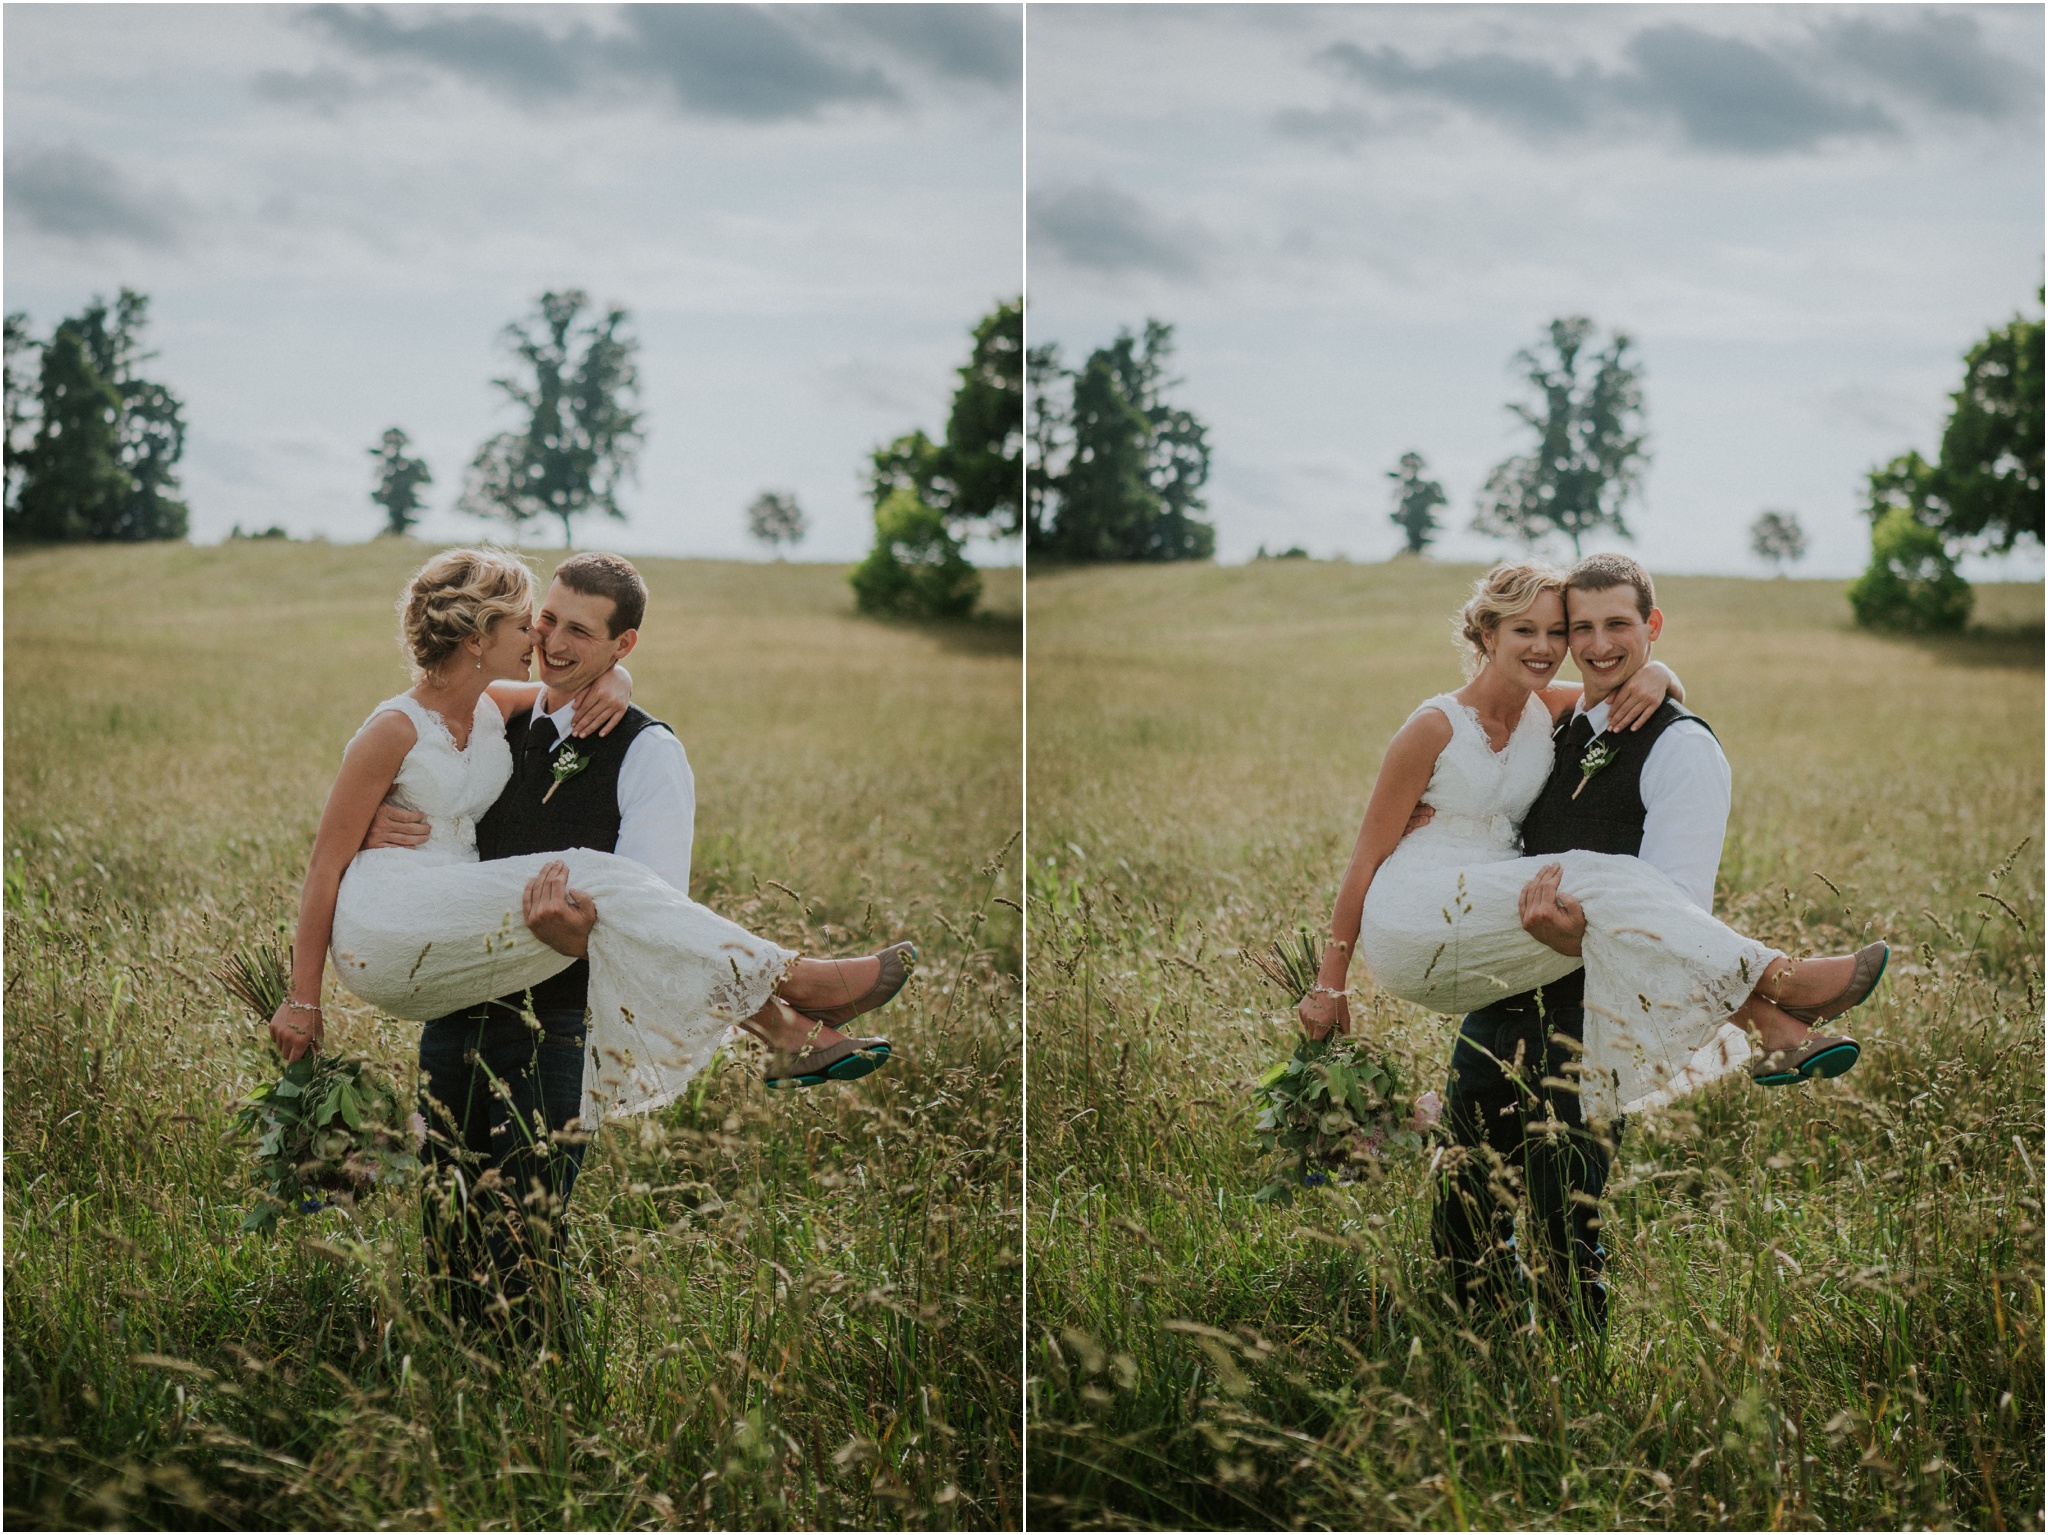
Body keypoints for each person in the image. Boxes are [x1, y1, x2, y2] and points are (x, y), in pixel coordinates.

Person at [267, 547, 912, 1333]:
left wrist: (619, 683)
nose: (546, 641)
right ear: (482, 634)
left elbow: (653, 907)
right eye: (534, 622)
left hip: (537, 1019)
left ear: (621, 644)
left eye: (574, 629)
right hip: (413, 948)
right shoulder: (431, 718)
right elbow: (326, 858)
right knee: (593, 875)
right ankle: (791, 991)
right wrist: (304, 995)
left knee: (510, 1243)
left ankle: (520, 1401)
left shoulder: (566, 726)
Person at [1299, 556, 1886, 1331]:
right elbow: (1364, 857)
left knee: (1543, 1213)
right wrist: (1329, 983)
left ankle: (1556, 1371)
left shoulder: (1597, 723)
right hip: (1443, 932)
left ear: (1645, 627)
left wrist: (1663, 673)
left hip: (1551, 976)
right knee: (1468, 1195)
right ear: (1486, 632)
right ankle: (1778, 992)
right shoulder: (1463, 721)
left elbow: (1667, 874)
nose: (1560, 646)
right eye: (1548, 630)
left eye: (1570, 630)